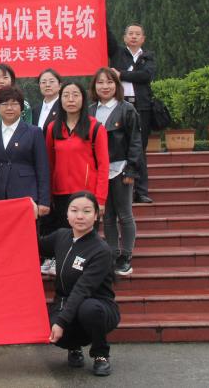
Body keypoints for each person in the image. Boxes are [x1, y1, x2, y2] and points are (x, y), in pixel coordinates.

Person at [39, 191, 120, 377]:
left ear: (96, 215)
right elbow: (34, 245)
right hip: (65, 302)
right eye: (74, 210)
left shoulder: (101, 250)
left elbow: (82, 289)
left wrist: (61, 322)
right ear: (67, 214)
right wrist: (29, 216)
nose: (80, 216)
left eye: (87, 211)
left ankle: (101, 355)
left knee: (88, 309)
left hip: (98, 306)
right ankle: (74, 346)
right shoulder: (61, 236)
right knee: (51, 326)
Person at [88, 68, 142, 277]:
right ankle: (112, 254)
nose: (105, 86)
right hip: (98, 171)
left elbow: (135, 142)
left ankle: (126, 256)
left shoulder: (126, 109)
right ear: (94, 86)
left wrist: (131, 169)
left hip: (120, 168)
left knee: (124, 214)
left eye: (110, 82)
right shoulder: (90, 111)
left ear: (117, 86)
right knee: (107, 215)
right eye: (100, 82)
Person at [45, 81, 109, 233]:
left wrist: (100, 199)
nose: (70, 99)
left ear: (83, 99)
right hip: (60, 194)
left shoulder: (95, 127)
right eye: (66, 95)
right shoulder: (52, 128)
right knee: (64, 237)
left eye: (75, 95)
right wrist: (48, 195)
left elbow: (103, 165)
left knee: (86, 239)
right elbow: (49, 164)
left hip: (86, 194)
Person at [109, 24, 156, 204]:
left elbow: (146, 76)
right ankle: (119, 189)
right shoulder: (117, 53)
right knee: (119, 145)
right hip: (120, 105)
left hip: (141, 107)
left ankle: (141, 191)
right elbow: (107, 36)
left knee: (139, 148)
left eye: (137, 34)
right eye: (130, 33)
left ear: (143, 39)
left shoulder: (147, 57)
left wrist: (121, 74)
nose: (134, 36)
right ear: (124, 37)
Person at [0, 86, 50, 215]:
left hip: (26, 194)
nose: (9, 108)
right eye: (4, 104)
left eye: (14, 104)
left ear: (21, 107)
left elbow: (42, 168)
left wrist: (44, 200)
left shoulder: (34, 132)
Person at [0, 63, 33, 128]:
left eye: (5, 77)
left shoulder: (24, 105)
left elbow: (29, 131)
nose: (1, 81)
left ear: (12, 80)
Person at [31, 68, 62, 132]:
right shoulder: (35, 110)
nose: (47, 85)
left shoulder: (64, 108)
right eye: (43, 82)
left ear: (60, 85)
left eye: (51, 81)